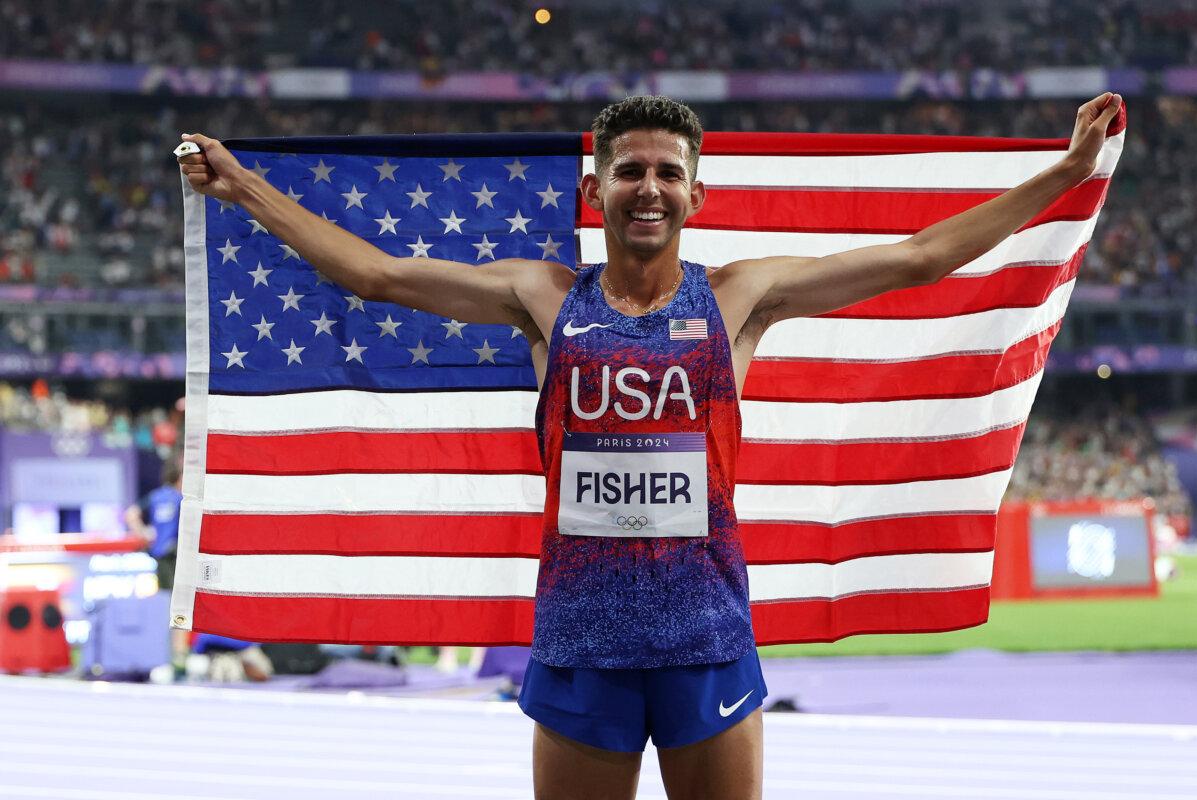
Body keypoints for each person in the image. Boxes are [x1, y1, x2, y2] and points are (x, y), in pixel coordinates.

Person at [178, 92, 1121, 799]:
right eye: (630, 170)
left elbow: (919, 258)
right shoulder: (543, 296)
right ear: (595, 188)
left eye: (668, 172)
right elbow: (376, 274)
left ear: (697, 194)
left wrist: (1066, 174)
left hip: (705, 636)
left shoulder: (740, 297)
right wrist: (243, 186)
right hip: (583, 641)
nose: (649, 187)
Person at [125, 455, 190, 675]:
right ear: (180, 477)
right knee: (180, 609)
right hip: (175, 559)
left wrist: (145, 536)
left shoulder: (155, 497)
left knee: (165, 608)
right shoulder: (182, 500)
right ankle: (178, 659)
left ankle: (163, 657)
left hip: (160, 559)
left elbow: (131, 514)